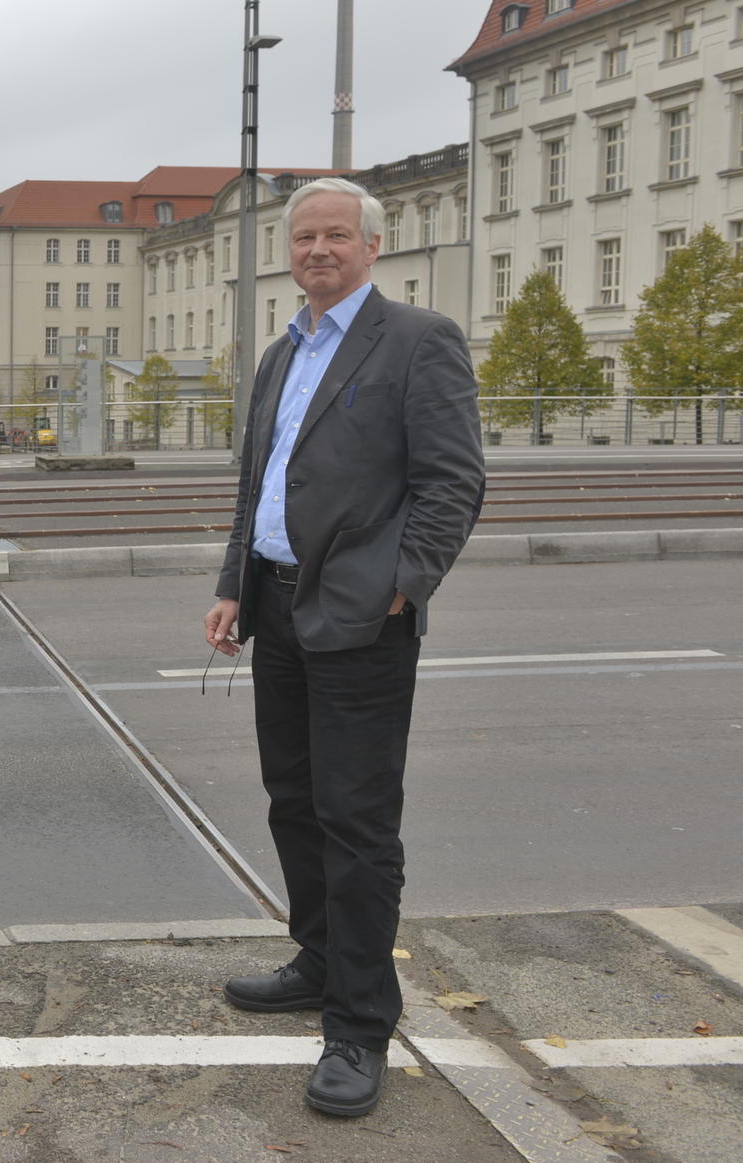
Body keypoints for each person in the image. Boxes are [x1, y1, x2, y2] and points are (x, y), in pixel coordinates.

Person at [203, 176, 483, 1118]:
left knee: (358, 824)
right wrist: (232, 585)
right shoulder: (285, 350)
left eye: (336, 236)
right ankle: (319, 961)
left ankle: (361, 1024)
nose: (317, 249)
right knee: (294, 801)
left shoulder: (416, 340)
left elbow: (453, 483)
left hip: (363, 616)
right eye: (304, 237)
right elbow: (260, 481)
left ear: (372, 245)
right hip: (276, 610)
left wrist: (402, 584)